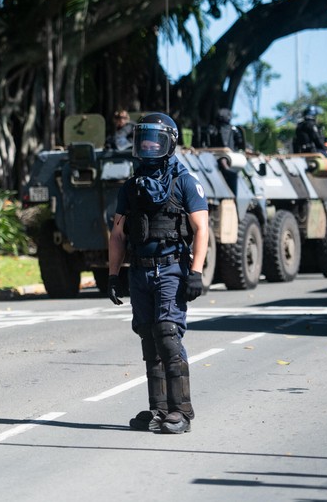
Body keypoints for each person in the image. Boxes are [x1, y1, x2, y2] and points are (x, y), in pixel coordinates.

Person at [107, 113, 209, 434]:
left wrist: (195, 272)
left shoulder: (185, 181)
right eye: (144, 139)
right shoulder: (132, 187)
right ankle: (159, 409)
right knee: (149, 336)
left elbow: (202, 228)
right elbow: (118, 234)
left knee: (167, 334)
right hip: (139, 270)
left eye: (156, 139)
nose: (149, 145)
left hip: (171, 268)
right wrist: (112, 276)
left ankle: (181, 411)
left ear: (169, 142)